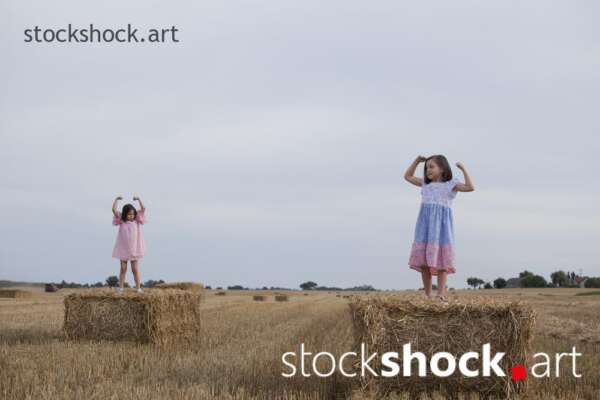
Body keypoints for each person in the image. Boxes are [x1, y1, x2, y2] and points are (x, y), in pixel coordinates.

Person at [404, 155, 475, 302]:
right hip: (424, 229)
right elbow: (408, 176)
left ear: (442, 168)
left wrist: (463, 169)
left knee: (442, 263)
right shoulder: (425, 184)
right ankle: (427, 294)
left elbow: (470, 187)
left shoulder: (450, 184)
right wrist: (417, 161)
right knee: (423, 263)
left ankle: (441, 294)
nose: (428, 170)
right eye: (426, 167)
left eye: (431, 166)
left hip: (442, 230)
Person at [111, 196, 146, 294]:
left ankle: (138, 288)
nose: (131, 216)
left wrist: (139, 199)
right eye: (129, 214)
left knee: (135, 269)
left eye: (133, 214)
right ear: (125, 214)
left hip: (134, 249)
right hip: (123, 249)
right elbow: (113, 209)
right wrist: (116, 199)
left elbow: (143, 209)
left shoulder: (136, 221)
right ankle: (121, 288)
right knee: (123, 269)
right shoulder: (122, 221)